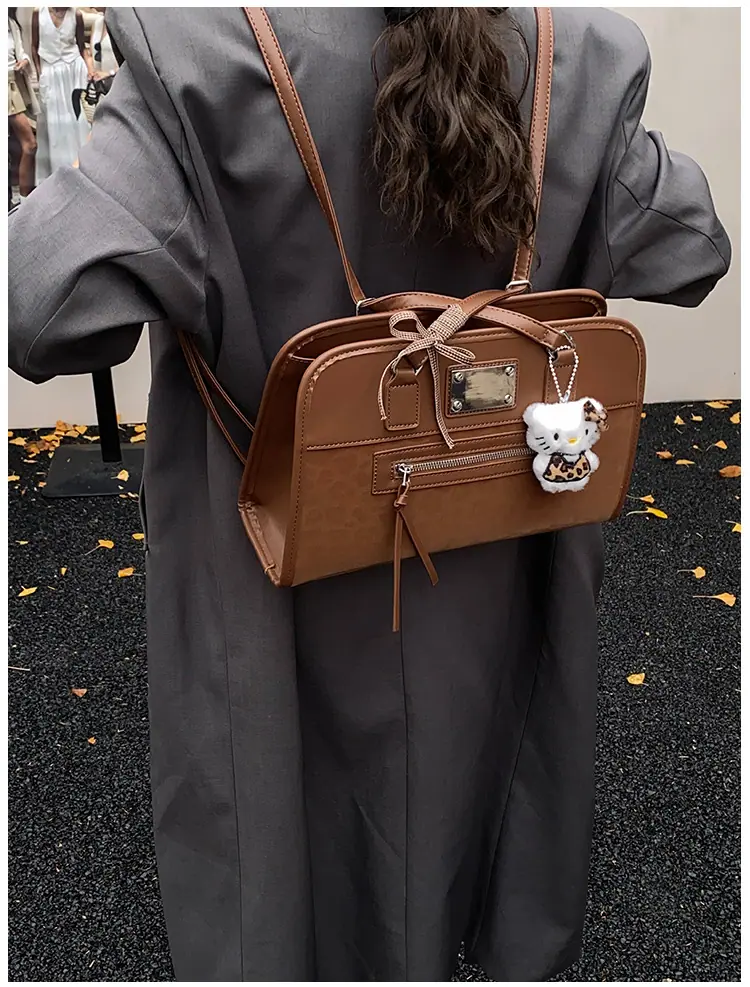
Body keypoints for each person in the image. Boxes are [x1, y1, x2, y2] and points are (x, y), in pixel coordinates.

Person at [7, 8, 730, 983]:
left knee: (271, 812)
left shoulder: (196, 53)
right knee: (488, 767)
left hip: (278, 568)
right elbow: (691, 246)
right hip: (501, 536)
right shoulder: (583, 53)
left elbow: (41, 310)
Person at [31, 6, 92, 182]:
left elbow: (81, 46)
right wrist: (40, 73)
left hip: (73, 71)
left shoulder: (76, 14)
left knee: (76, 122)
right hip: (50, 71)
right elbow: (34, 46)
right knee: (53, 123)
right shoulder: (38, 12)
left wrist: (88, 71)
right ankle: (57, 175)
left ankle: (81, 170)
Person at [8, 9, 38, 200]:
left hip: (15, 84)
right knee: (29, 144)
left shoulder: (11, 23)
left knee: (27, 145)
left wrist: (24, 61)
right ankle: (22, 199)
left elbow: (21, 52)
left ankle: (22, 199)